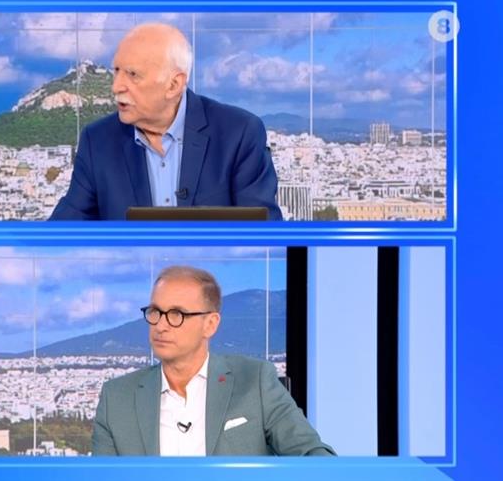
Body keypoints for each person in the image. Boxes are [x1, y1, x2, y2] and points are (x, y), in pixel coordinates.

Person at [92, 265, 333, 456]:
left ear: (210, 324)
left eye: (176, 314)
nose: (161, 326)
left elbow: (313, 456)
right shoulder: (116, 398)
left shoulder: (255, 381)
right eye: (155, 312)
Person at [49, 23, 281, 221]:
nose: (116, 86)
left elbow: (264, 235)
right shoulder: (97, 141)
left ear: (173, 85)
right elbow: (63, 231)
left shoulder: (238, 134)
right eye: (116, 71)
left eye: (132, 74)